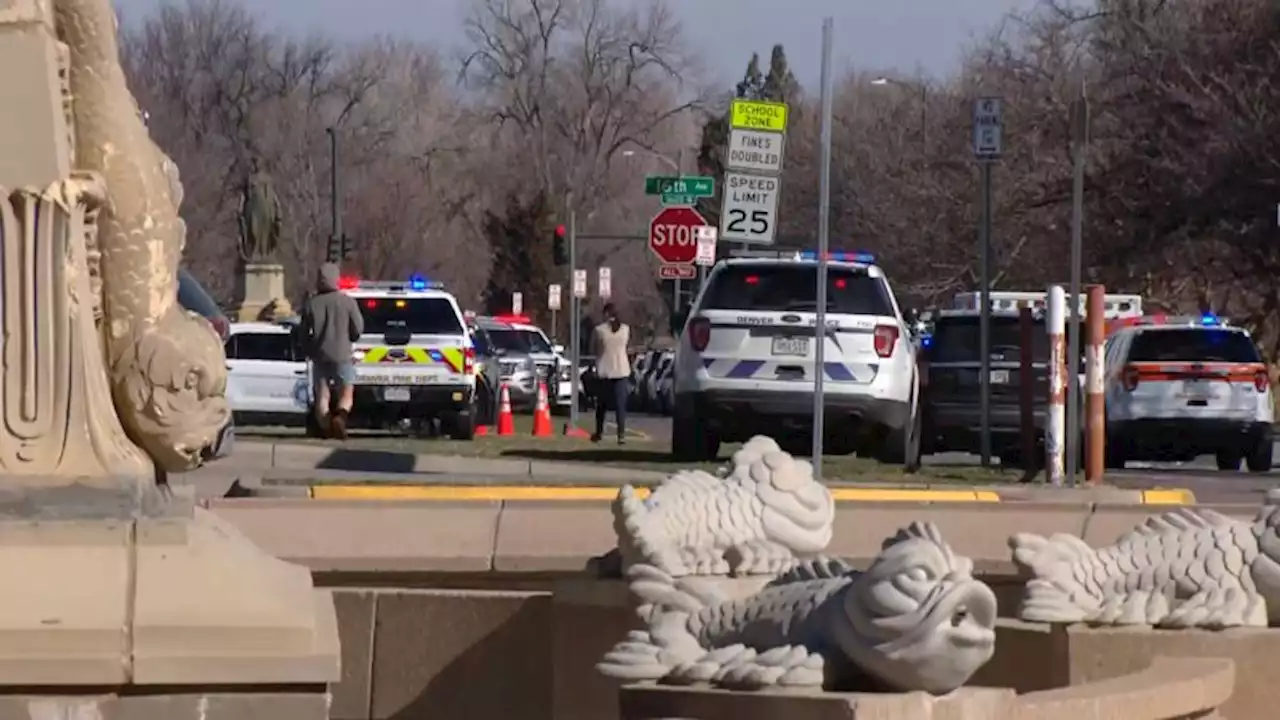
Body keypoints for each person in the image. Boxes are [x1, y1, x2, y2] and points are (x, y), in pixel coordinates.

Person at [299, 263, 364, 439]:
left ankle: (326, 429)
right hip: (343, 354)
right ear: (336, 279)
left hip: (319, 354)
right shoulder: (348, 302)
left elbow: (303, 332)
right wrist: (350, 337)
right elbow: (357, 329)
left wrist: (307, 349)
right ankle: (341, 417)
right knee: (346, 392)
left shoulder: (311, 304)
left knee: (322, 395)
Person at [591, 303, 632, 444]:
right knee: (621, 405)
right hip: (622, 370)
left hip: (605, 370)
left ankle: (599, 432)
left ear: (606, 314)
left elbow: (595, 349)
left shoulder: (599, 330)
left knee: (601, 405)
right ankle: (621, 435)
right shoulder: (626, 330)